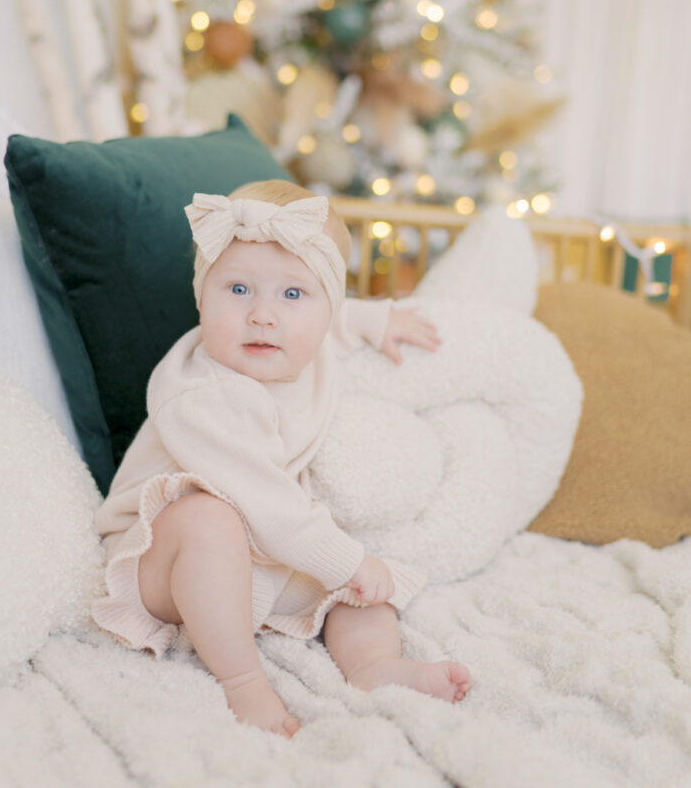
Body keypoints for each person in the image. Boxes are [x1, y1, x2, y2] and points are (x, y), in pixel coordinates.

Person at [92, 179, 470, 737]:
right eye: (238, 289)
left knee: (356, 594)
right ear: (201, 296)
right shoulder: (204, 395)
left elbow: (336, 325)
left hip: (260, 552)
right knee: (217, 520)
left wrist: (376, 320)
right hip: (162, 561)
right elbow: (268, 504)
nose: (264, 315)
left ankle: (373, 666)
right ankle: (243, 681)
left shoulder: (306, 349)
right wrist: (347, 560)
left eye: (292, 295)